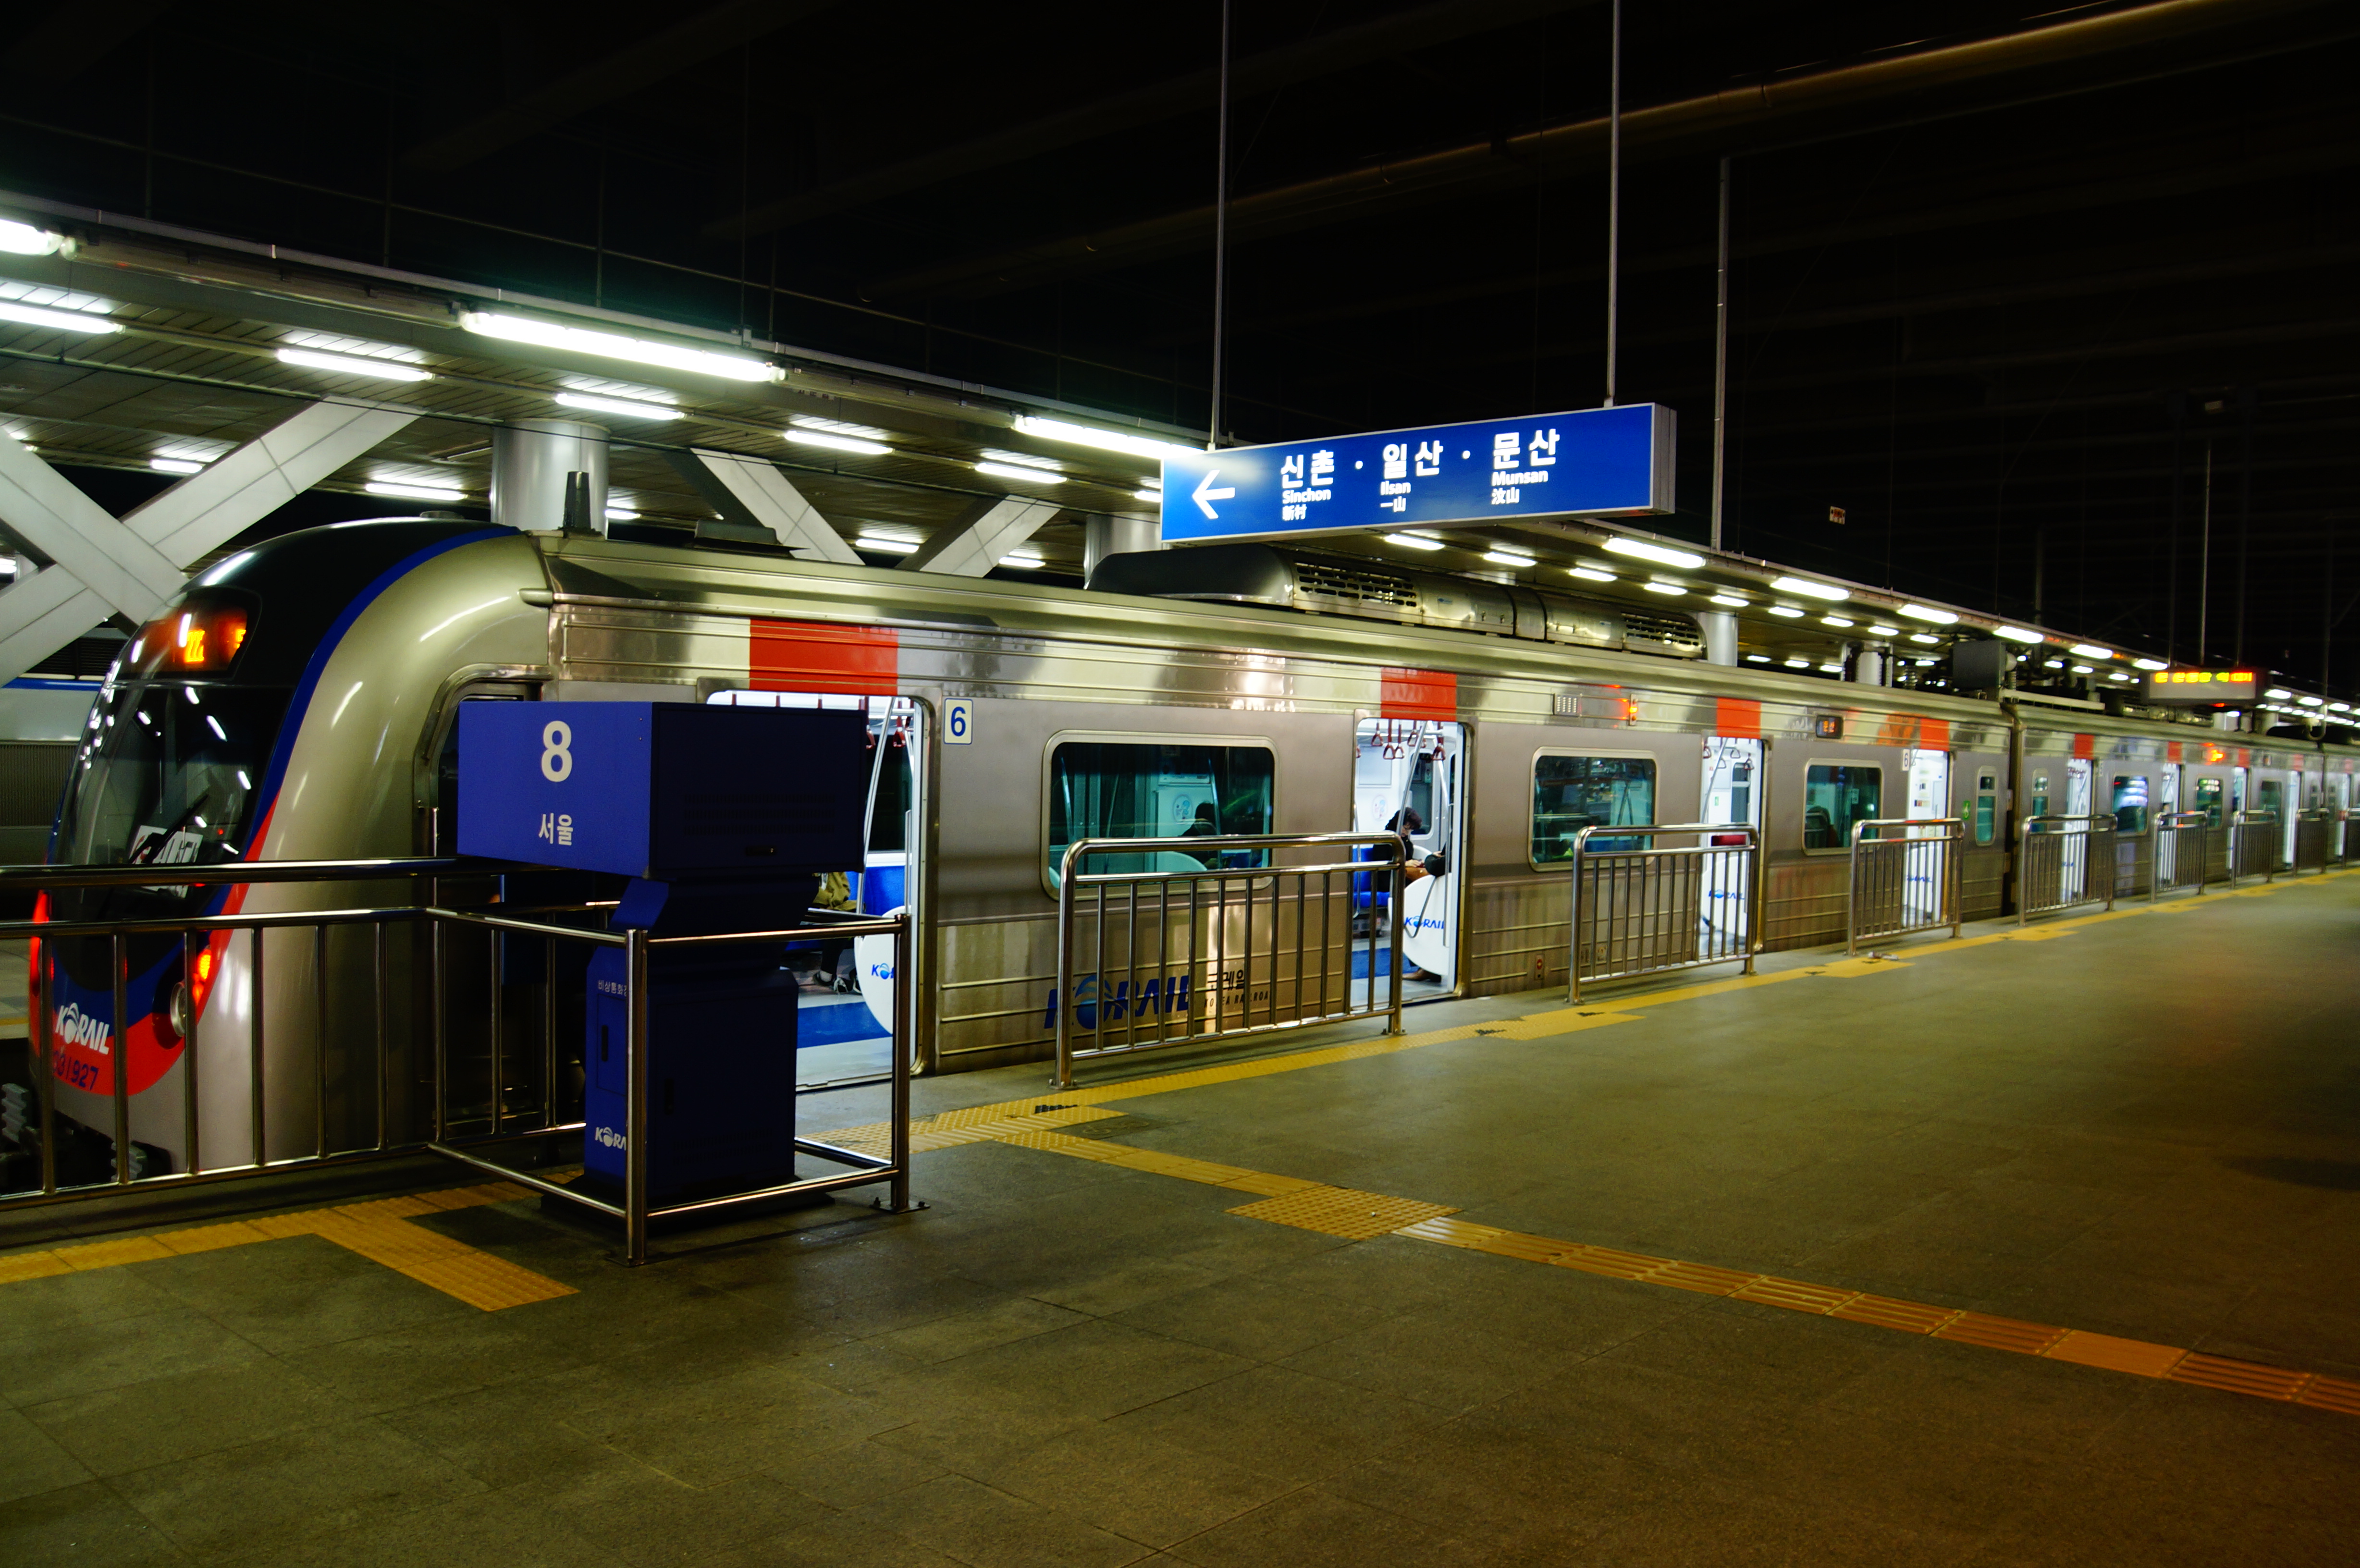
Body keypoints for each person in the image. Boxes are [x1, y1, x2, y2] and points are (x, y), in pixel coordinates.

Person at [1381, 808, 1442, 983]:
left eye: (1409, 830)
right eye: (1406, 828)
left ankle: (1426, 965)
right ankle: (1423, 965)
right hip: (1389, 879)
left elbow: (1408, 857)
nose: (1406, 833)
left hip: (1403, 878)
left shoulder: (1404, 840)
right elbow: (1382, 863)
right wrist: (1404, 863)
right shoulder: (1385, 838)